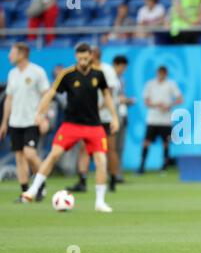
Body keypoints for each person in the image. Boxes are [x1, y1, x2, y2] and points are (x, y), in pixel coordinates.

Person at [21, 43, 119, 213]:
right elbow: (50, 93)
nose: (83, 60)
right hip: (71, 124)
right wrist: (40, 113)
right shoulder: (66, 74)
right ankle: (33, 189)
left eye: (86, 57)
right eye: (80, 58)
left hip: (94, 125)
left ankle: (100, 202)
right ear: (76, 57)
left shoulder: (98, 74)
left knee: (101, 161)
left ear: (91, 56)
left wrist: (114, 117)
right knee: (54, 154)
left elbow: (107, 96)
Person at [0, 43, 50, 202]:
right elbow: (9, 98)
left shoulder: (37, 72)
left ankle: (40, 183)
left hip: (32, 120)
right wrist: (4, 122)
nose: (9, 56)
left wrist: (43, 116)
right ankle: (25, 192)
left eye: (12, 52)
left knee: (30, 153)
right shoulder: (12, 73)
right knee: (19, 156)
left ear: (22, 54)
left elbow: (46, 95)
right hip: (15, 121)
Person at [67, 47, 121, 193]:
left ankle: (113, 179)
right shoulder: (84, 71)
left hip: (105, 118)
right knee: (84, 148)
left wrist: (97, 108)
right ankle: (82, 180)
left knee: (109, 149)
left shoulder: (106, 70)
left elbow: (108, 93)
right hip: (89, 118)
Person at [138, 66, 183, 174]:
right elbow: (146, 102)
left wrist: (169, 105)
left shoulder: (171, 84)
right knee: (146, 142)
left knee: (166, 143)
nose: (161, 75)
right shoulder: (150, 84)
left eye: (163, 73)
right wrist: (156, 105)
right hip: (152, 119)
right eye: (159, 73)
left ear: (166, 74)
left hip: (166, 120)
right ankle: (142, 166)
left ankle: (164, 166)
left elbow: (180, 99)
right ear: (157, 73)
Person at [113, 55, 134, 183]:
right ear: (116, 65)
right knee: (112, 147)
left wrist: (126, 101)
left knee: (120, 147)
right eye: (122, 67)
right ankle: (112, 174)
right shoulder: (109, 78)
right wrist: (121, 100)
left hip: (123, 114)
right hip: (114, 116)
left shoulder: (121, 80)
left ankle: (117, 173)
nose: (123, 70)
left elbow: (121, 96)